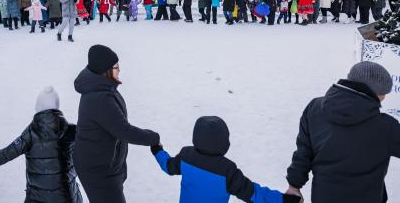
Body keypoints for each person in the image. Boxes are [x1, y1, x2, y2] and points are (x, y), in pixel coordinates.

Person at [286, 62, 400, 203]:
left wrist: (294, 186)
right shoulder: (386, 127)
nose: (384, 98)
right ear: (372, 92)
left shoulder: (314, 108)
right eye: (382, 93)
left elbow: (303, 153)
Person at [74, 45, 160, 203]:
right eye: (116, 67)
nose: (119, 70)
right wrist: (153, 138)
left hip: (103, 162)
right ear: (104, 70)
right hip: (97, 170)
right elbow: (124, 130)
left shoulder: (101, 87)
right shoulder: (100, 98)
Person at [152, 116, 301, 203]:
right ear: (224, 143)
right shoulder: (227, 171)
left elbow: (168, 166)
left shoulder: (186, 156)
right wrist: (286, 200)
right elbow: (254, 193)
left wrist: (157, 150)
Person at [0, 87, 82, 203]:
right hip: (67, 197)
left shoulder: (30, 134)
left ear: (38, 106)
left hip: (37, 198)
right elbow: (94, 151)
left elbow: (6, 154)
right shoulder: (73, 131)